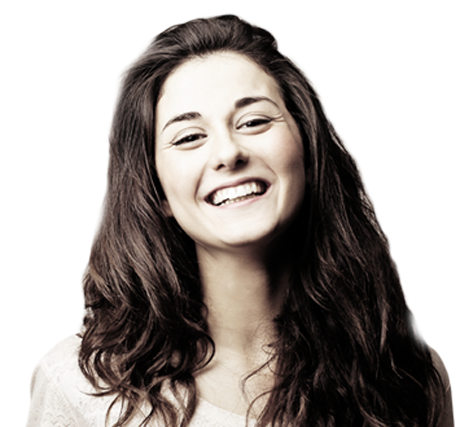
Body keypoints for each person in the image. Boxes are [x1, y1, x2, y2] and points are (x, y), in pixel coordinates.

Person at [27, 13, 454, 427]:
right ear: (156, 192)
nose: (229, 152)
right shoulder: (81, 390)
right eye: (189, 137)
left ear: (308, 151)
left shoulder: (404, 370)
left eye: (254, 121)